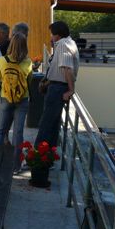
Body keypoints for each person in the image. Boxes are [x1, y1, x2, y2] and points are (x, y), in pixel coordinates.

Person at [34, 21, 79, 149]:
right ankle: (48, 154)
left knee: (47, 123)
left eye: (52, 34)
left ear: (57, 35)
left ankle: (38, 154)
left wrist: (71, 90)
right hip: (57, 87)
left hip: (58, 89)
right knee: (52, 124)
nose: (51, 37)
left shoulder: (63, 45)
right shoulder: (68, 43)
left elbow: (67, 68)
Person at [0, 33, 32, 172]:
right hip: (22, 99)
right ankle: (15, 166)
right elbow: (29, 82)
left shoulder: (2, 60)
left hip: (5, 98)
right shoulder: (28, 62)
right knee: (18, 133)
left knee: (0, 130)